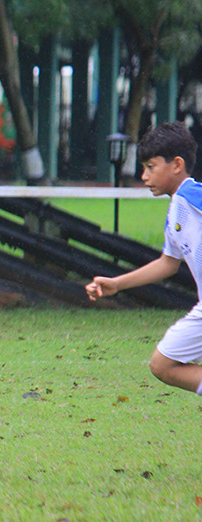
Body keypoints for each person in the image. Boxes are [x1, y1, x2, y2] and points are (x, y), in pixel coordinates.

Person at [86, 122, 202, 395]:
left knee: (163, 364)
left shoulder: (191, 196)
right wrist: (117, 283)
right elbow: (167, 263)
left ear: (176, 164)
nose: (144, 176)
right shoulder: (176, 210)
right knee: (162, 365)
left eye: (151, 167)